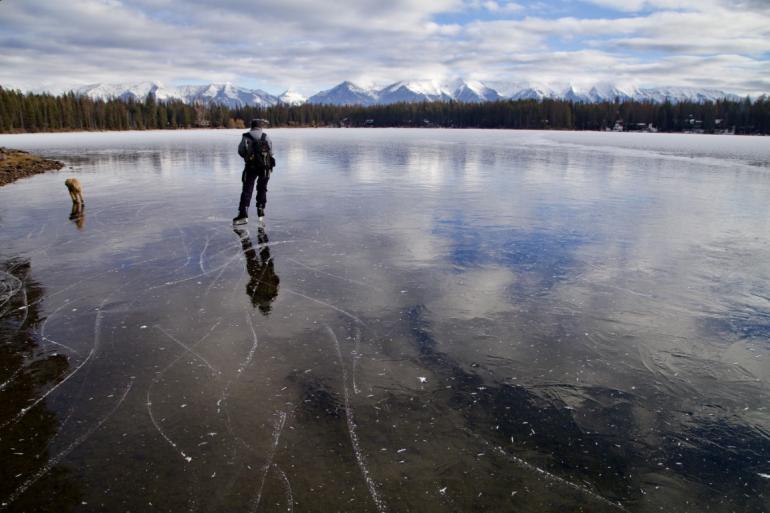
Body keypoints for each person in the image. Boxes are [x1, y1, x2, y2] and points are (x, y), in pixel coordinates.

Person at [233, 119, 275, 225]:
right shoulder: (265, 136)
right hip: (265, 167)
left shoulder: (246, 136)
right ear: (260, 127)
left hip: (251, 167)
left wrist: (248, 157)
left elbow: (241, 151)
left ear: (251, 126)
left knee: (247, 189)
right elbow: (272, 152)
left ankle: (243, 214)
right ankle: (261, 211)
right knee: (262, 188)